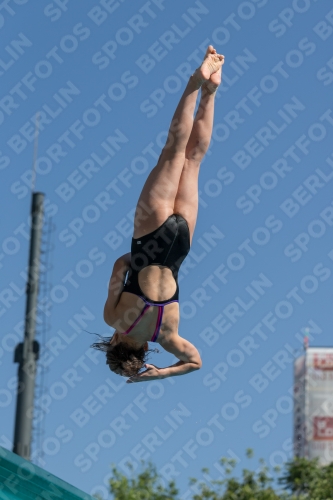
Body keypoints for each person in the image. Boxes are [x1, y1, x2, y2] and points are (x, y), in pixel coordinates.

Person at [92, 46, 224, 383]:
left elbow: (195, 363)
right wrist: (136, 255)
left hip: (180, 243)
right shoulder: (114, 320)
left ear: (141, 352)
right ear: (116, 342)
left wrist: (158, 375)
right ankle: (196, 82)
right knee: (173, 152)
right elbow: (120, 266)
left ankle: (210, 91)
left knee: (193, 161)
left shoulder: (166, 337)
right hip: (149, 237)